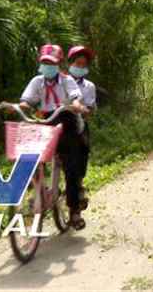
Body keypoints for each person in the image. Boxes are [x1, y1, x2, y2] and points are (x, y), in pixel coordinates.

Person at [19, 44, 89, 230]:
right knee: (29, 154)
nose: (47, 66)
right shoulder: (37, 82)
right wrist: (21, 105)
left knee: (71, 166)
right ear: (40, 63)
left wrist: (76, 104)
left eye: (51, 63)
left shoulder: (67, 81)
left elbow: (76, 97)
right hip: (44, 120)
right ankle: (37, 189)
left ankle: (74, 211)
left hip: (66, 120)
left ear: (58, 63)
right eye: (44, 63)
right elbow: (27, 100)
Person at [67, 45, 97, 211]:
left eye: (83, 65)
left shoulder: (89, 87)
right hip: (57, 123)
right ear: (70, 64)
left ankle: (78, 188)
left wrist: (83, 110)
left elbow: (90, 109)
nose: (79, 67)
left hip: (78, 125)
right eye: (77, 63)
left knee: (80, 156)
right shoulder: (59, 82)